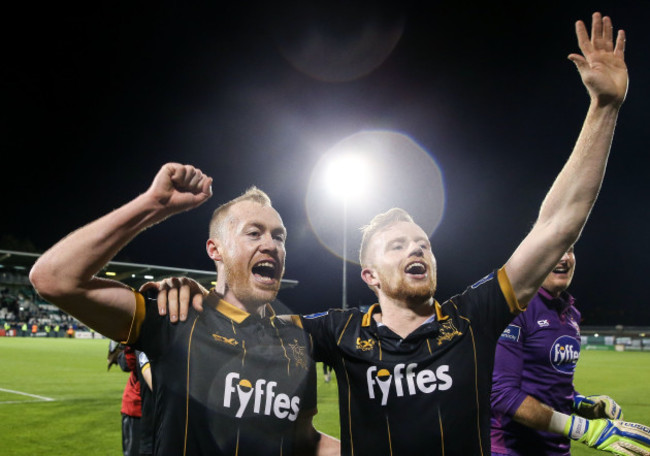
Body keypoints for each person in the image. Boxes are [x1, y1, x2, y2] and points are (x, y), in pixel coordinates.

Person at [156, 12, 650, 456]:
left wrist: (604, 108)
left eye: (423, 244)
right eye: (398, 245)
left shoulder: (472, 318)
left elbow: (556, 226)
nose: (417, 248)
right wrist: (189, 292)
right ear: (369, 274)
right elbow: (243, 317)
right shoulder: (337, 332)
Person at [29, 167, 339, 455]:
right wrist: (153, 204)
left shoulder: (295, 342)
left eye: (279, 236)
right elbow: (53, 279)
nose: (271, 244)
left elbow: (305, 441)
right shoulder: (175, 316)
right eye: (254, 233)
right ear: (215, 250)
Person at [489, 247, 632, 456]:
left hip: (558, 450)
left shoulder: (572, 313)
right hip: (511, 450)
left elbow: (549, 385)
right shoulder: (515, 307)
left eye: (570, 250)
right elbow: (501, 393)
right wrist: (584, 430)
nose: (564, 258)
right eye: (556, 249)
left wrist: (582, 404)